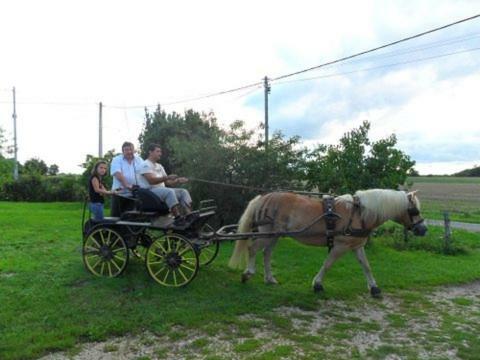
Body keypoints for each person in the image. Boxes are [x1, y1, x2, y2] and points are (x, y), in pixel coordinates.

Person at [136, 143, 194, 226]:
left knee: (183, 191)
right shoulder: (145, 165)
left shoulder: (159, 166)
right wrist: (167, 177)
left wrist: (178, 180)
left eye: (160, 151)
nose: (160, 154)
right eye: (158, 151)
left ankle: (189, 215)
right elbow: (151, 181)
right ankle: (177, 218)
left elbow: (167, 183)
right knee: (169, 192)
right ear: (150, 152)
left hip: (161, 191)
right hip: (150, 192)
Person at [110, 141, 143, 216]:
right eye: (126, 150)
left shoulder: (139, 160)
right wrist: (127, 185)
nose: (129, 152)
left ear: (134, 150)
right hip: (119, 194)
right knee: (116, 217)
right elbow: (117, 173)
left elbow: (145, 172)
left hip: (134, 194)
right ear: (123, 151)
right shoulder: (116, 159)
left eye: (131, 149)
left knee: (130, 217)